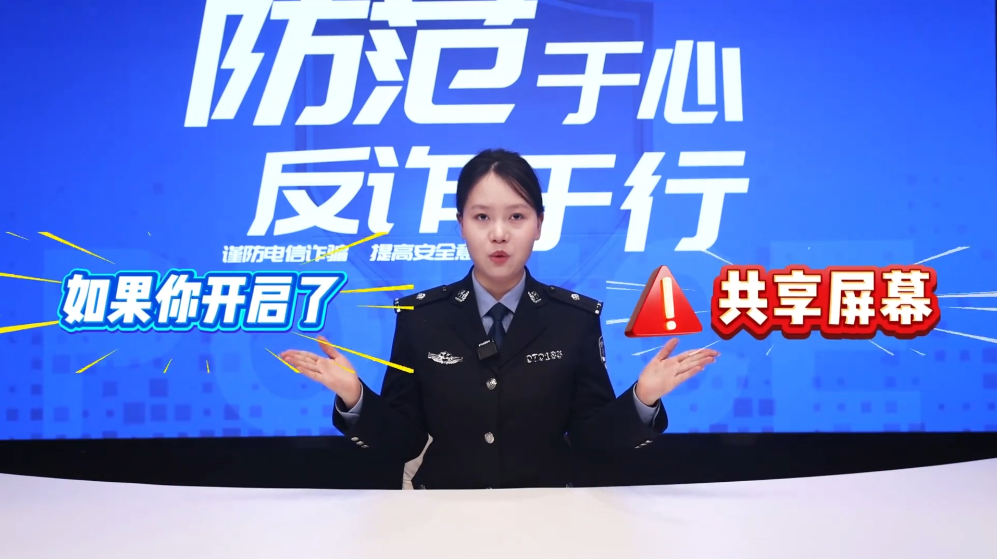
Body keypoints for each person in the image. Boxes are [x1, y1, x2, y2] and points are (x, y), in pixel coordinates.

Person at [281, 148, 719, 490]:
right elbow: (404, 439)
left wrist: (643, 397)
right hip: (443, 514)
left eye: (516, 216)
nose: (498, 233)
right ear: (461, 225)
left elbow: (592, 439)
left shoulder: (573, 319)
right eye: (481, 217)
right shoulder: (420, 317)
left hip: (549, 515)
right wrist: (354, 396)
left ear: (539, 225)